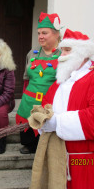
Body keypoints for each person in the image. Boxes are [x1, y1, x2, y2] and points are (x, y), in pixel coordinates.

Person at [38, 28, 94, 189]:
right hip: (57, 156)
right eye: (62, 50)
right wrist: (40, 118)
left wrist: (58, 122)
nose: (62, 56)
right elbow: (45, 105)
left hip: (84, 160)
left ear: (82, 53)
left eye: (67, 50)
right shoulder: (62, 79)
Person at [16, 12, 62, 154]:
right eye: (39, 33)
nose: (40, 36)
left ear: (56, 34)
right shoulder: (32, 54)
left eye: (44, 33)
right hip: (29, 100)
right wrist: (24, 96)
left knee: (46, 128)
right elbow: (26, 79)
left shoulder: (63, 55)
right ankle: (29, 145)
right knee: (27, 128)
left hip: (49, 101)